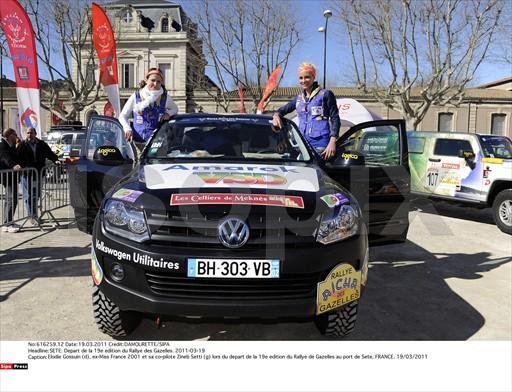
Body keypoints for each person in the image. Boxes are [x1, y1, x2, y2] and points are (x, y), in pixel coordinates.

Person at [272, 63, 340, 160]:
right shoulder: (299, 98)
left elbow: (335, 118)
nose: (303, 81)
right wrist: (276, 116)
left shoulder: (325, 94)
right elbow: (281, 111)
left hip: (320, 145)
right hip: (302, 144)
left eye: (307, 77)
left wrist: (332, 142)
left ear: (313, 77)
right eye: (301, 78)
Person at [119, 67, 178, 150]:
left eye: (158, 82)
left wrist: (168, 114)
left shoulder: (165, 97)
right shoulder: (136, 96)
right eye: (152, 80)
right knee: (138, 162)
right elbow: (122, 116)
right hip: (137, 143)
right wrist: (127, 129)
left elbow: (175, 109)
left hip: (158, 143)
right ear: (146, 80)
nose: (155, 84)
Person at [17, 127, 60, 225]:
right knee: (28, 195)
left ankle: (34, 214)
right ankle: (31, 216)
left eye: (31, 133)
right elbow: (17, 157)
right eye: (28, 133)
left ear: (35, 134)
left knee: (36, 195)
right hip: (27, 174)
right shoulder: (22, 145)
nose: (29, 135)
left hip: (39, 174)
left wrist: (55, 159)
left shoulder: (41, 144)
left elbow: (49, 153)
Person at [0, 128, 22, 232]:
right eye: (15, 134)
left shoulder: (11, 144)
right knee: (11, 199)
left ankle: (8, 221)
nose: (16, 136)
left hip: (11, 176)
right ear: (9, 135)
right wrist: (13, 165)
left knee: (11, 199)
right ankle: (7, 223)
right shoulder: (2, 145)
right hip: (7, 176)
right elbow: (5, 157)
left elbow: (16, 157)